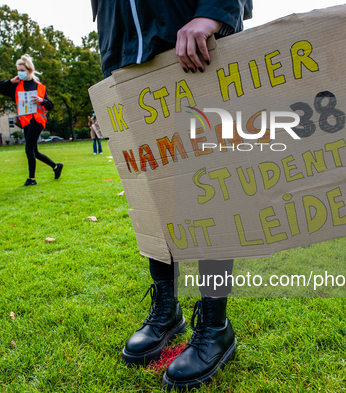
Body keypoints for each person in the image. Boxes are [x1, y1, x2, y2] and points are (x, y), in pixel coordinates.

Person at [92, 0, 252, 390]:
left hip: (191, 47)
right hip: (127, 56)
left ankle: (216, 325)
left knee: (207, 189)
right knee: (152, 193)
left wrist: (215, 12)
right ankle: (167, 311)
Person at [0, 54, 63, 186]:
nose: (20, 73)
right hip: (25, 121)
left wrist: (41, 100)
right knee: (34, 151)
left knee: (28, 149)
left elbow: (51, 105)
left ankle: (32, 179)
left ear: (29, 71)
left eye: (22, 71)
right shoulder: (15, 86)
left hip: (37, 120)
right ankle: (56, 167)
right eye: (18, 71)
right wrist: (10, 81)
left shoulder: (40, 87)